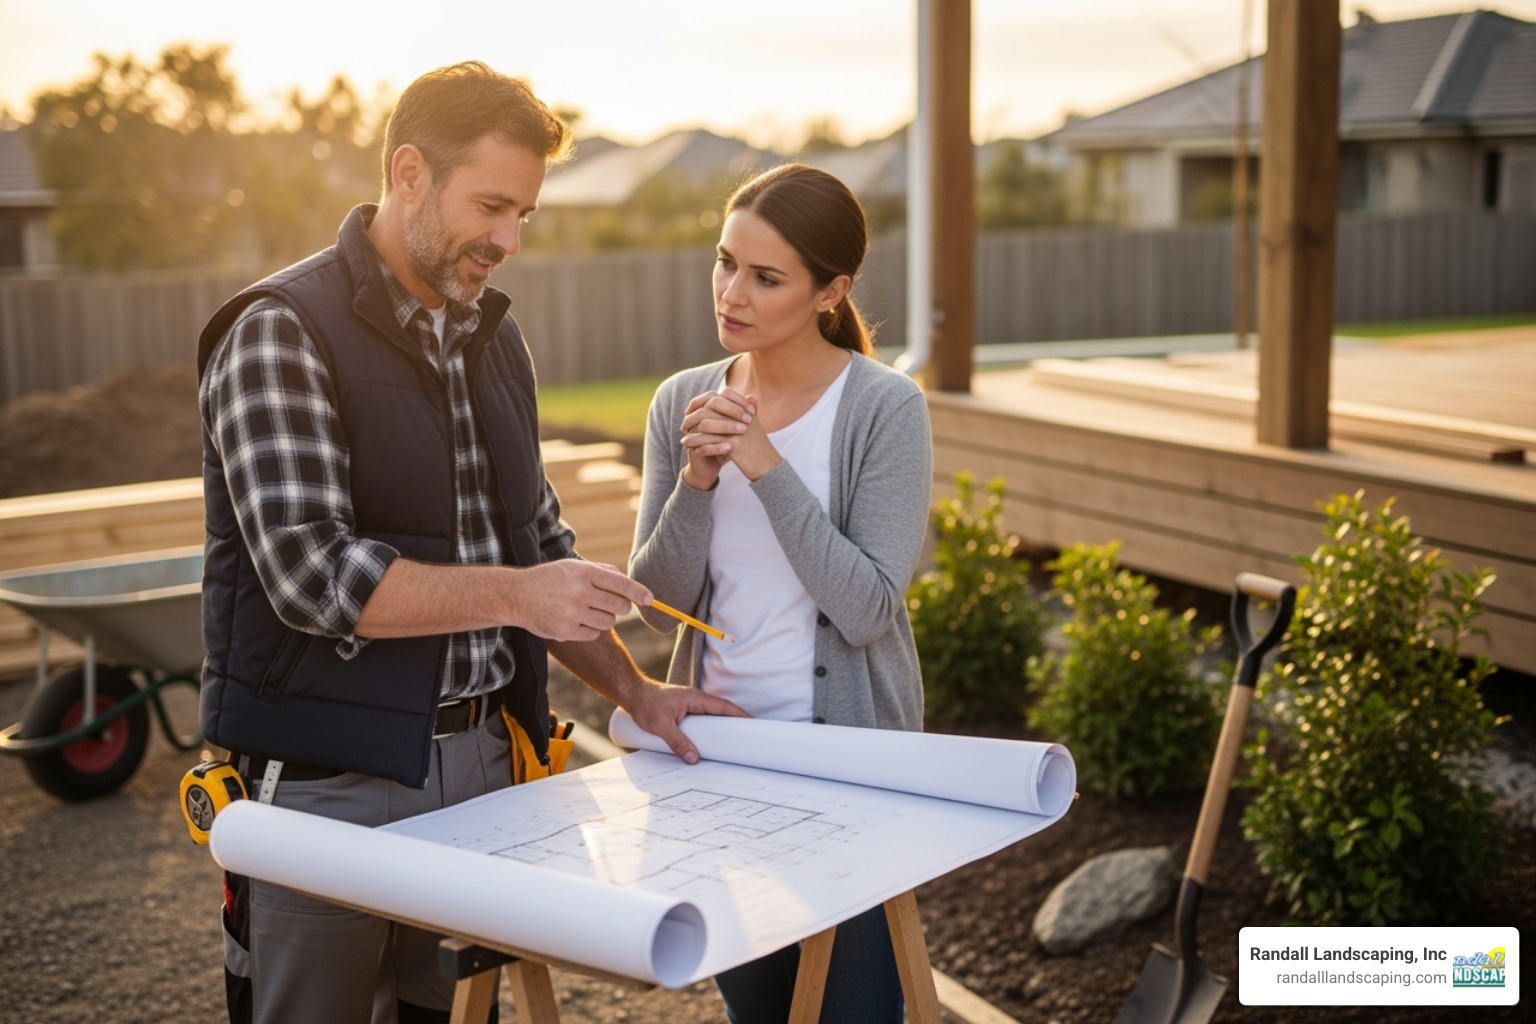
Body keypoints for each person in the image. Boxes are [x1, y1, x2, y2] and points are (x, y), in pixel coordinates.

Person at [196, 62, 741, 1024]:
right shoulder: (280, 331)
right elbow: (310, 576)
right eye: (491, 204)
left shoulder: (494, 339)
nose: (508, 239)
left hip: (486, 770)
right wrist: (521, 595)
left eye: (524, 213)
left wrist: (637, 693)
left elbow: (538, 551)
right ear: (408, 173)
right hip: (330, 788)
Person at [628, 163, 933, 1024]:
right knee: (762, 1013)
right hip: (718, 763)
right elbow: (656, 601)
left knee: (858, 1013)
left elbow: (869, 609)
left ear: (831, 291)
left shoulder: (885, 410)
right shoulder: (681, 401)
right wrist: (696, 481)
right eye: (726, 262)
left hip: (849, 768)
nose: (732, 292)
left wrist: (764, 467)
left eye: (766, 277)